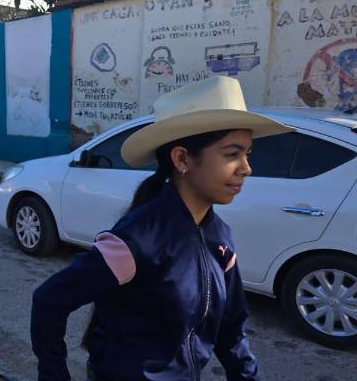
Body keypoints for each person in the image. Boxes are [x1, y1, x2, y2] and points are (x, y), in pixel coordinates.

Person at [30, 76, 295, 381]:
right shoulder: (136, 240)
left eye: (247, 154)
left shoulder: (220, 238)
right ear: (182, 158)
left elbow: (231, 330)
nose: (246, 168)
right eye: (232, 154)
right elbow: (49, 300)